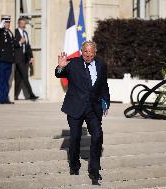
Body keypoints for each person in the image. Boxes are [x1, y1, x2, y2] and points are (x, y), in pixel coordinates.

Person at [55, 41, 110, 184]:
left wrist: (106, 101)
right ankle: (74, 165)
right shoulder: (73, 63)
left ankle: (94, 170)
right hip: (75, 106)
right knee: (75, 137)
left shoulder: (101, 64)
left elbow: (104, 85)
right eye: (85, 51)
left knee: (98, 135)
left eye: (91, 52)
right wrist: (60, 67)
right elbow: (59, 74)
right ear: (81, 51)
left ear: (95, 52)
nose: (88, 54)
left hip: (93, 108)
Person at [0, 15, 18, 104]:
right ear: (2, 22)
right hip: (1, 60)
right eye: (6, 22)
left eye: (9, 22)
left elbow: (13, 44)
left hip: (9, 60)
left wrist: (20, 43)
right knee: (1, 80)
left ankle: (5, 98)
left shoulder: (10, 32)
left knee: (6, 81)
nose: (8, 23)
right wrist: (0, 26)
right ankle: (1, 99)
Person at [14, 17, 38, 100]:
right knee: (25, 76)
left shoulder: (26, 33)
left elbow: (28, 46)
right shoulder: (15, 32)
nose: (23, 25)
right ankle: (31, 94)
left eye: (24, 24)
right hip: (18, 58)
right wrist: (20, 42)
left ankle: (14, 95)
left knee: (18, 78)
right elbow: (13, 45)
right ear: (18, 24)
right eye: (22, 23)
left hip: (25, 58)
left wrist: (31, 56)